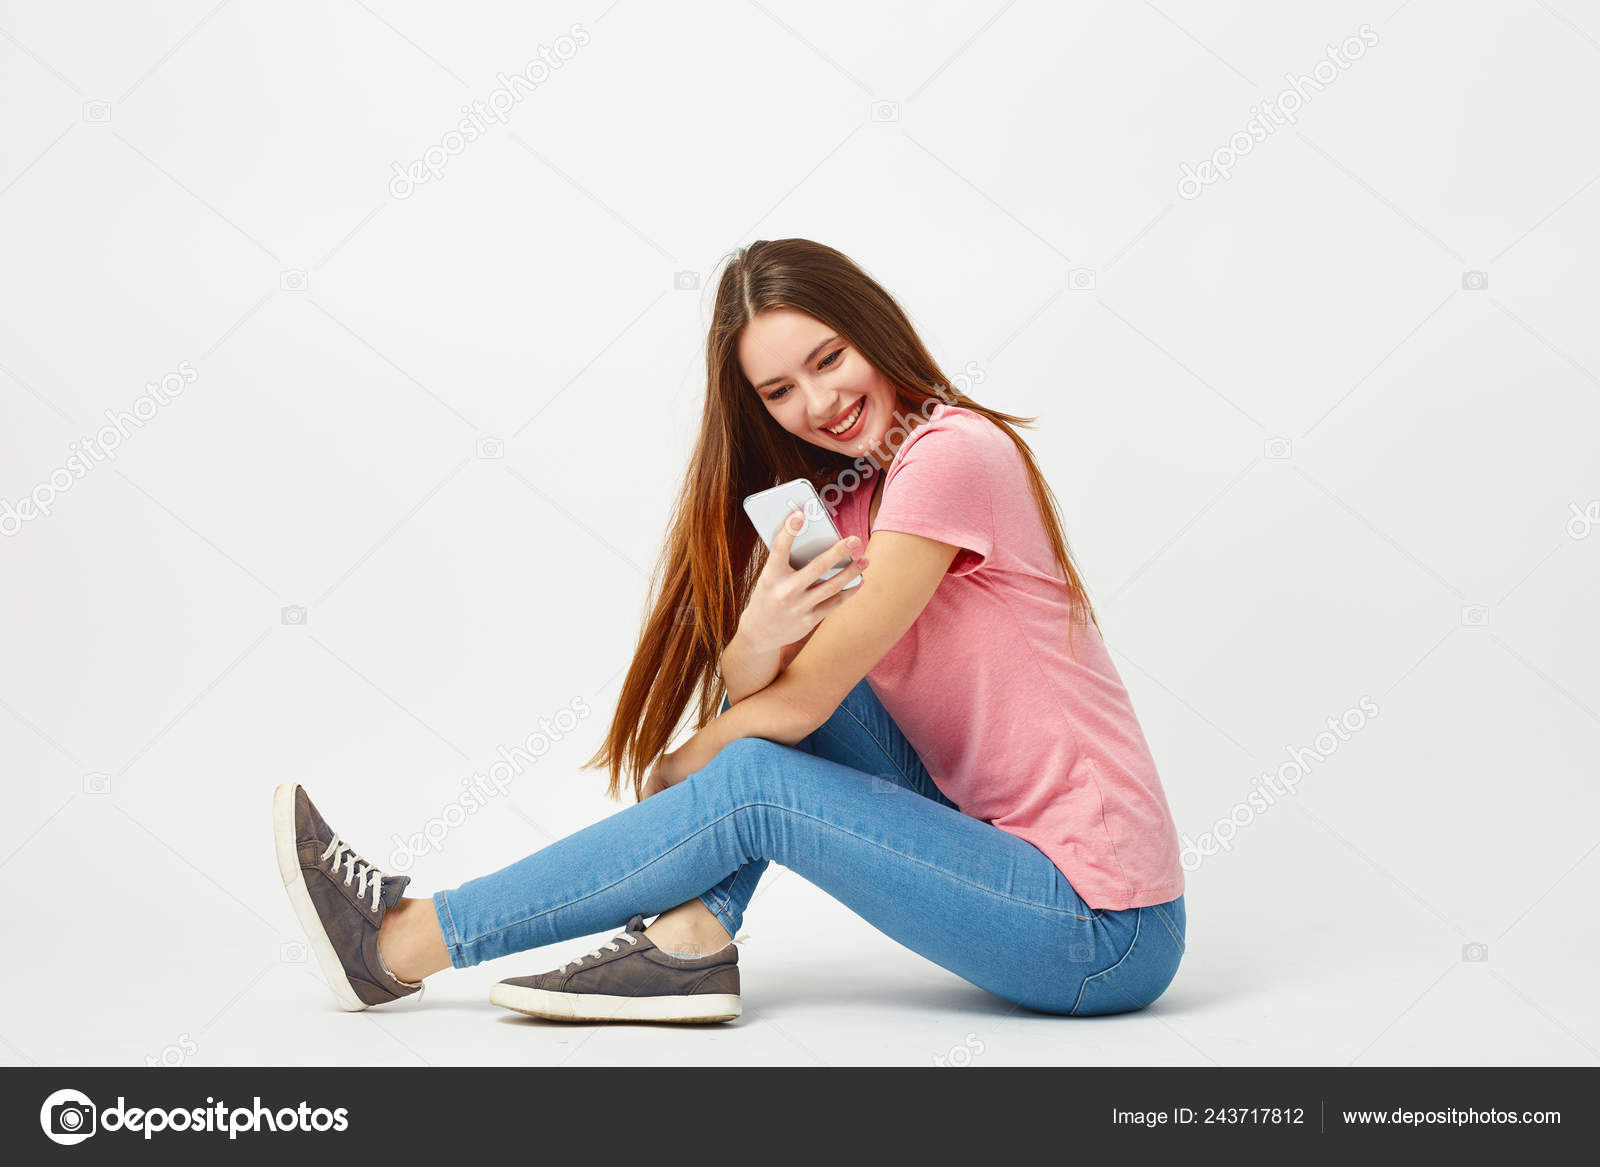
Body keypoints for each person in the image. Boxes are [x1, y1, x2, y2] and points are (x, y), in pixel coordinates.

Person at [272, 238, 1186, 1024]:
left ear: (875, 329)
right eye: (781, 389)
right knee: (773, 728)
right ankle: (691, 941)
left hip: (1102, 927)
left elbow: (801, 703)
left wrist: (683, 769)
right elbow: (793, 698)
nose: (818, 403)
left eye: (830, 358)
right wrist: (755, 635)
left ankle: (405, 940)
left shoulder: (951, 454)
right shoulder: (854, 500)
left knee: (750, 773)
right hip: (998, 855)